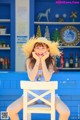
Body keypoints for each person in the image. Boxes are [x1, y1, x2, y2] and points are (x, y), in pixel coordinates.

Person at [6, 37, 70, 120]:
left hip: (48, 95)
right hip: (31, 95)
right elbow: (32, 78)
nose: (40, 50)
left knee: (65, 112)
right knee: (10, 110)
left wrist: (43, 60)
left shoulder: (51, 61)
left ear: (47, 50)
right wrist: (37, 61)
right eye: (37, 48)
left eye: (43, 48)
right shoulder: (29, 60)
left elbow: (47, 79)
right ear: (34, 50)